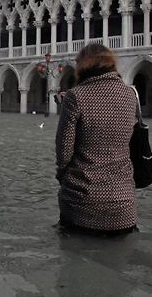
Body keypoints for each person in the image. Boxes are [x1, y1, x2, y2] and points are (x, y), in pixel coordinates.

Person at [55, 44, 138, 235]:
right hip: (124, 206)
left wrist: (63, 176)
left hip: (82, 202)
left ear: (84, 65)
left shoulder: (76, 96)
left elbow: (64, 152)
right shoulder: (130, 95)